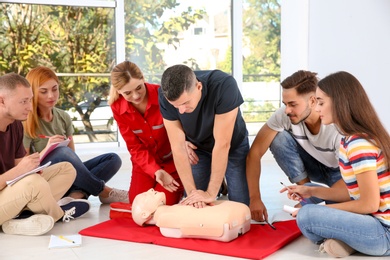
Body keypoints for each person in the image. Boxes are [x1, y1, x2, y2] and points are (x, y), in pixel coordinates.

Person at [283, 71, 390, 258]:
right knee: (308, 188)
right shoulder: (350, 139)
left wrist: (321, 209)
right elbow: (353, 192)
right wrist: (311, 192)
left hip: (382, 232)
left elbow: (369, 203)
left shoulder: (358, 144)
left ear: (340, 102)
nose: (317, 109)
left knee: (307, 216)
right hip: (370, 222)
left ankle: (350, 241)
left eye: (321, 103)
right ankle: (348, 242)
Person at [0, 73, 91, 236]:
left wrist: (31, 168)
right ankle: (59, 214)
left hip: (10, 191)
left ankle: (19, 218)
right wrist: (22, 171)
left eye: (30, 99)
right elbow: (18, 171)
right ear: (1, 100)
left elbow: (19, 166)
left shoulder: (16, 126)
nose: (29, 106)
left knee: (66, 169)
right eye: (23, 101)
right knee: (34, 183)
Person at [246, 70, 342, 222]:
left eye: (293, 104)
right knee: (278, 138)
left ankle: (312, 196)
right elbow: (255, 153)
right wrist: (255, 198)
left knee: (341, 205)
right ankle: (307, 193)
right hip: (314, 164)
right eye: (285, 104)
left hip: (341, 173)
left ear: (312, 101)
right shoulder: (284, 115)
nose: (287, 110)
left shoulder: (336, 126)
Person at [22, 66, 127, 204]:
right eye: (43, 91)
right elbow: (25, 167)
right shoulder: (25, 122)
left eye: (55, 89)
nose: (51, 96)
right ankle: (104, 191)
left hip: (68, 172)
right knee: (62, 151)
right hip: (44, 175)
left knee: (113, 159)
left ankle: (77, 195)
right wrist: (48, 149)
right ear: (33, 93)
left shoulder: (63, 117)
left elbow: (72, 157)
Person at [159, 65, 250, 208]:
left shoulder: (224, 86)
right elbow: (178, 147)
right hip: (199, 147)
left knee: (241, 205)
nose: (181, 111)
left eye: (185, 103)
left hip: (232, 145)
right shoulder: (165, 95)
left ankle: (218, 183)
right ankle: (218, 181)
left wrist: (210, 193)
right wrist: (192, 194)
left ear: (199, 87)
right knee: (194, 203)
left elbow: (222, 144)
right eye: (176, 107)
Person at [109, 61, 183, 205]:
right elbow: (135, 147)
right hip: (145, 163)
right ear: (119, 91)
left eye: (139, 88)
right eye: (128, 93)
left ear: (143, 78)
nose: (136, 96)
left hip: (173, 161)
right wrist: (155, 171)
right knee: (138, 205)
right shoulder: (117, 107)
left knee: (160, 204)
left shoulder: (163, 95)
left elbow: (181, 130)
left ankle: (183, 186)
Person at [132, 188, 251, 242]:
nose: (150, 190)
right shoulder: (164, 218)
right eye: (145, 196)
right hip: (228, 219)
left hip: (229, 218)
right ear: (144, 214)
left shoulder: (169, 211)